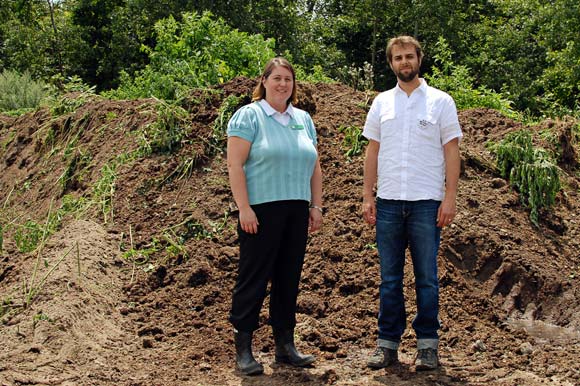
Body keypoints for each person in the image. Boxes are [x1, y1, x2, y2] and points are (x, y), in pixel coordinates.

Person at [362, 36, 462, 371]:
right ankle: (387, 345)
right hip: (388, 202)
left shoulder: (440, 102)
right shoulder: (381, 103)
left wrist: (449, 198)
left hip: (426, 204)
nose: (404, 62)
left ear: (419, 59)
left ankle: (427, 346)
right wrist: (367, 195)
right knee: (389, 278)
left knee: (426, 277)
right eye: (397, 58)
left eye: (409, 56)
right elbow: (372, 151)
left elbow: (451, 152)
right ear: (390, 63)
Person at [226, 57, 323, 376]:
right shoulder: (249, 116)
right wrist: (244, 208)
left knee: (288, 278)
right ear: (264, 81)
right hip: (261, 211)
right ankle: (244, 350)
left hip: (296, 210)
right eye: (277, 78)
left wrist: (315, 205)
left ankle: (285, 346)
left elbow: (315, 166)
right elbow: (235, 166)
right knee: (252, 279)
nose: (283, 84)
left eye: (288, 79)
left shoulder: (303, 119)